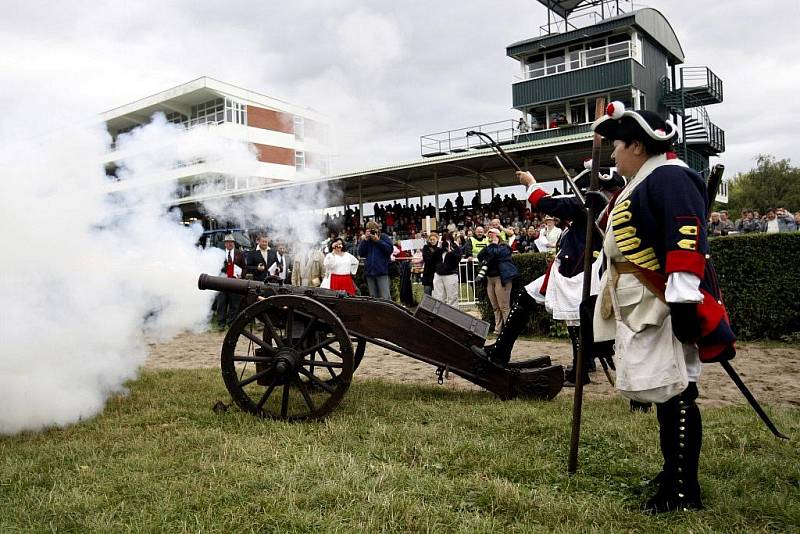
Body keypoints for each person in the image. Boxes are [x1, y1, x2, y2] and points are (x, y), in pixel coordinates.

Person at [590, 101, 736, 513]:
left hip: (664, 299)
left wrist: (685, 297)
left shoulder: (670, 177)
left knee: (679, 390)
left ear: (637, 145)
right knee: (666, 389)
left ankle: (683, 490)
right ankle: (672, 472)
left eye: (618, 145)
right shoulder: (642, 181)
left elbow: (686, 236)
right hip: (647, 301)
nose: (613, 153)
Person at [477, 228, 519, 334]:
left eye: (492, 234)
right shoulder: (490, 247)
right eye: (489, 234)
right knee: (495, 307)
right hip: (490, 279)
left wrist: (494, 245)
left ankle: (509, 330)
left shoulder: (505, 247)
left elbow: (497, 254)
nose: (490, 236)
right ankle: (498, 328)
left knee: (504, 306)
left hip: (501, 278)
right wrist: (490, 245)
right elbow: (479, 256)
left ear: (498, 235)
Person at [357, 221, 393, 299]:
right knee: (373, 298)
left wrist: (378, 241)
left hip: (381, 272)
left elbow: (390, 250)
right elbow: (361, 253)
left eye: (373, 230)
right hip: (370, 273)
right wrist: (365, 240)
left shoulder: (384, 237)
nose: (372, 232)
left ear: (377, 229)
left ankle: (387, 311)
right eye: (369, 230)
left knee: (385, 297)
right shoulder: (366, 240)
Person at [216, 234, 246, 327]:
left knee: (234, 303)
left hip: (234, 282)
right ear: (225, 244)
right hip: (222, 282)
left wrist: (241, 276)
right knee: (221, 303)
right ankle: (221, 323)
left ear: (234, 243)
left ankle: (231, 323)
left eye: (232, 242)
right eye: (228, 242)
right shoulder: (220, 253)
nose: (230, 244)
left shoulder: (239, 253)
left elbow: (244, 267)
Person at [432, 231, 462, 306]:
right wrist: (439, 247)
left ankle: (453, 315)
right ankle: (439, 314)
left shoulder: (456, 248)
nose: (446, 242)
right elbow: (432, 258)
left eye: (448, 240)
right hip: (438, 275)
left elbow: (457, 259)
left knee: (452, 297)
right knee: (439, 297)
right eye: (444, 240)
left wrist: (450, 250)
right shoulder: (439, 249)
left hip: (451, 275)